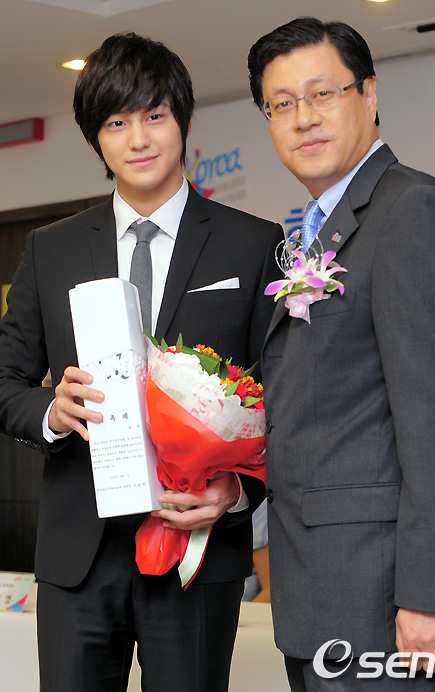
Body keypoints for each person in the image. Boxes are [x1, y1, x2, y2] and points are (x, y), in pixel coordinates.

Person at [0, 33, 283, 692]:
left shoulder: (252, 243)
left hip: (198, 550)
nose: (138, 139)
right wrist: (51, 411)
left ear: (184, 120)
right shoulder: (52, 249)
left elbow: (284, 398)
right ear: (96, 139)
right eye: (116, 123)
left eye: (154, 115)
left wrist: (237, 491)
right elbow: (5, 382)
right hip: (79, 554)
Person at [248, 16, 435, 691]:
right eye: (281, 104)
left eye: (322, 94)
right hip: (321, 589)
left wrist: (431, 595)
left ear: (368, 94)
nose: (303, 118)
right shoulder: (320, 230)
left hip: (384, 597)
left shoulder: (409, 210)